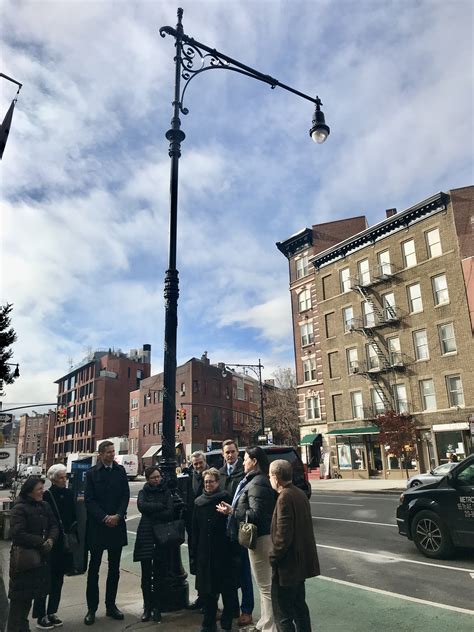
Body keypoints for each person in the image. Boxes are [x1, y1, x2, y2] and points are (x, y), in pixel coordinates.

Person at [217, 446, 277, 632]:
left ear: (255, 461)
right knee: (263, 584)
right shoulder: (253, 480)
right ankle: (265, 622)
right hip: (258, 538)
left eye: (245, 458)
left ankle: (270, 627)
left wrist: (233, 511)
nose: (243, 461)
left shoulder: (258, 482)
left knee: (265, 585)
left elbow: (256, 514)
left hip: (260, 539)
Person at [269, 460, 320, 632]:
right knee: (300, 608)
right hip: (300, 564)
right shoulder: (300, 493)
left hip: (288, 567)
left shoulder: (284, 497)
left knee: (283, 615)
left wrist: (273, 557)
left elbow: (283, 535)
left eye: (270, 475)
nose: (269, 478)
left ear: (276, 478)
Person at [83, 441, 130, 625]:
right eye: (109, 452)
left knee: (114, 569)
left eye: (113, 452)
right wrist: (104, 518)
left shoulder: (120, 472)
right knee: (93, 569)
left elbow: (125, 495)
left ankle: (111, 605)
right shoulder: (92, 474)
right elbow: (89, 500)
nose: (112, 455)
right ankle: (91, 609)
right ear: (101, 453)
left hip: (116, 526)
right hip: (98, 527)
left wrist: (118, 515)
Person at [6, 476, 59, 632]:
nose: (42, 491)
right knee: (19, 601)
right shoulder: (19, 508)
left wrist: (50, 540)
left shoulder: (44, 506)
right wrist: (41, 541)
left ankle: (23, 627)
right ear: (30, 491)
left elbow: (54, 525)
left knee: (29, 599)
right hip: (24, 561)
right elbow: (18, 533)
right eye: (39, 489)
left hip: (41, 561)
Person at [192, 468, 239, 632]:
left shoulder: (225, 498)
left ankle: (227, 620)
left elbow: (233, 524)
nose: (208, 484)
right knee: (208, 591)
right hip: (205, 553)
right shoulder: (198, 502)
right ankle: (208, 622)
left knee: (227, 589)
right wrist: (194, 555)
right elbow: (194, 531)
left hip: (224, 552)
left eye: (211, 481)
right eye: (206, 482)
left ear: (218, 482)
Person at [33, 464, 77, 629]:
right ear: (52, 479)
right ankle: (41, 615)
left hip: (63, 544)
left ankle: (52, 611)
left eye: (65, 477)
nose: (64, 480)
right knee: (45, 580)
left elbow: (73, 516)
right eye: (60, 477)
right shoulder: (47, 495)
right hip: (51, 543)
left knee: (58, 580)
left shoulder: (68, 493)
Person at [218, 440, 254, 627]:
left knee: (244, 571)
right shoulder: (221, 473)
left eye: (232, 451)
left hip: (240, 528)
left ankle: (246, 609)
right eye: (227, 452)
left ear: (238, 453)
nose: (230, 455)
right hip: (224, 530)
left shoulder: (244, 473)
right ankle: (231, 608)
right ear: (223, 454)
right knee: (227, 572)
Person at [133, 466, 173, 623]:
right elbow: (142, 506)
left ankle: (157, 607)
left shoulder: (166, 491)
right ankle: (147, 607)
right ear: (148, 479)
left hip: (161, 535)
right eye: (154, 477)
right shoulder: (143, 492)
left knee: (159, 574)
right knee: (145, 575)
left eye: (158, 477)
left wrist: (152, 511)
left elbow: (170, 511)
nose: (157, 480)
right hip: (146, 536)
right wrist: (160, 506)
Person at [185, 451, 208, 611]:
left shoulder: (211, 476)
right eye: (195, 464)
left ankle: (209, 599)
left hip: (207, 526)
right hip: (193, 527)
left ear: (205, 462)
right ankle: (201, 596)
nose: (198, 466)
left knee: (208, 564)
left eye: (200, 463)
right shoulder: (188, 478)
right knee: (197, 563)